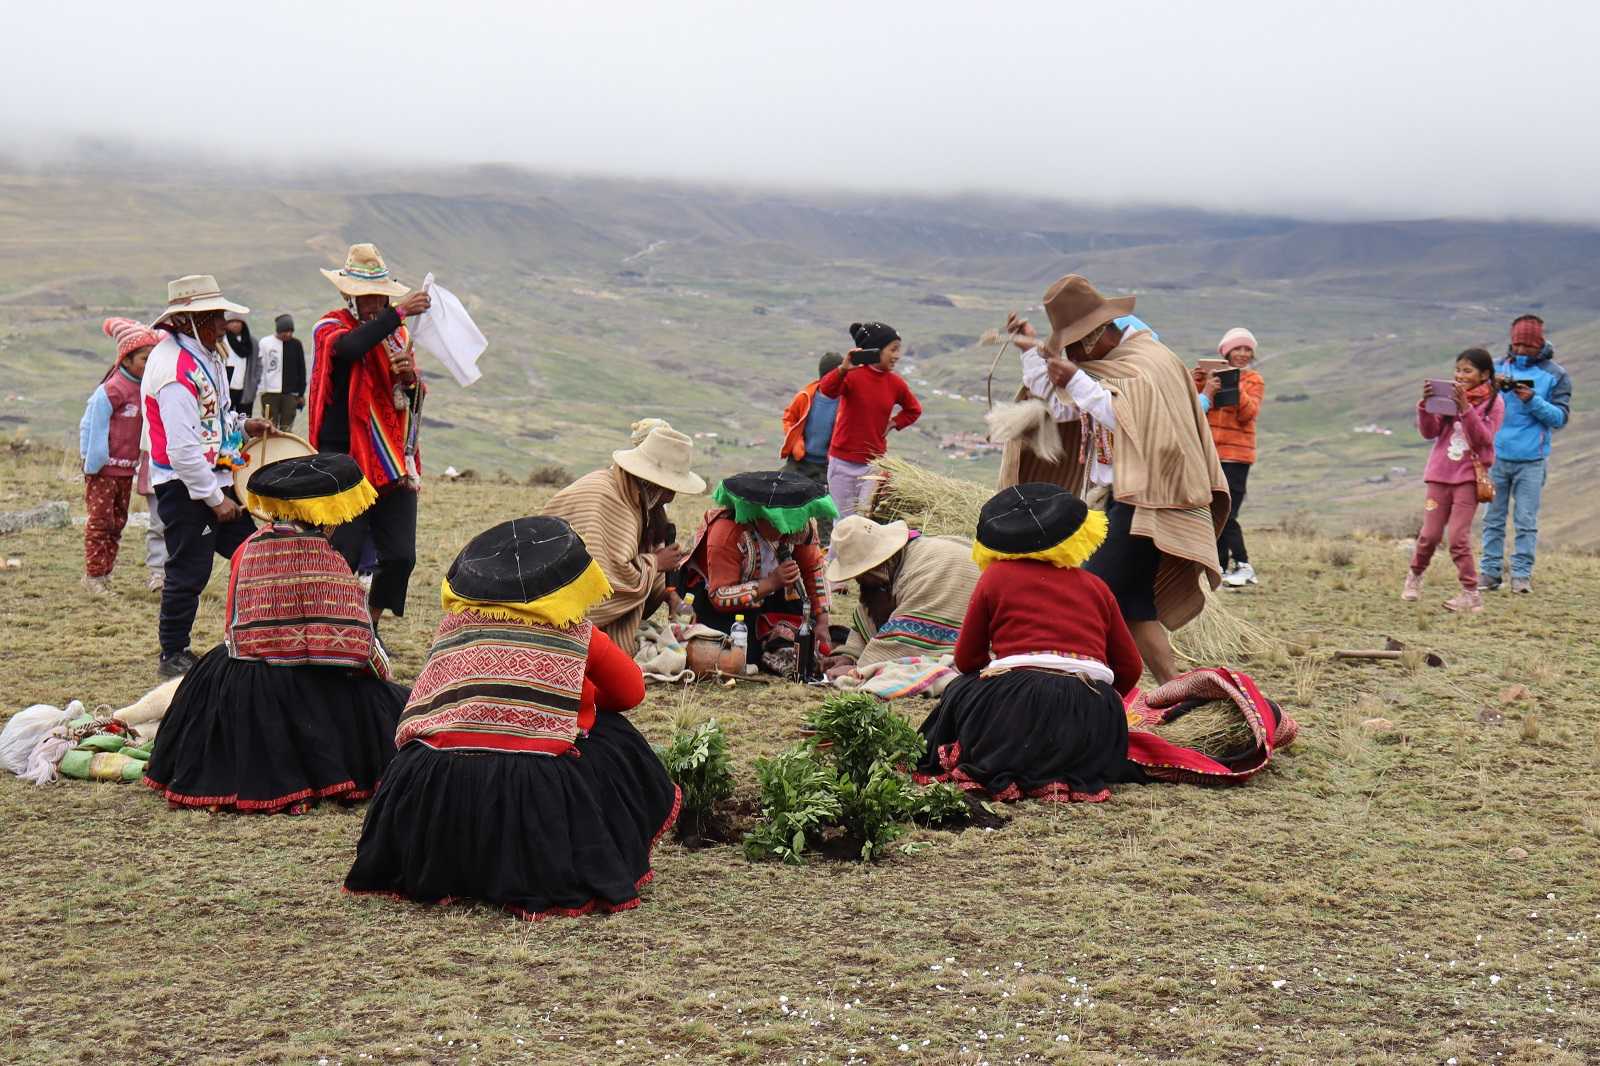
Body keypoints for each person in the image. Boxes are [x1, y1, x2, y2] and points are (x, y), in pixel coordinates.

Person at [344, 516, 679, 919]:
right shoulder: (574, 631)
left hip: (433, 783)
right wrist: (578, 700)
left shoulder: (455, 626)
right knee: (615, 737)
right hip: (529, 786)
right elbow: (631, 692)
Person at [994, 274, 1229, 684]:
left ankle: (1085, 684)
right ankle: (1174, 688)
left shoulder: (1150, 362)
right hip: (1115, 498)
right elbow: (1061, 408)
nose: (1073, 353)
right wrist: (1032, 353)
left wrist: (1077, 380)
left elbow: (1127, 417)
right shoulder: (1102, 368)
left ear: (1096, 334)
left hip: (1152, 499)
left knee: (1089, 592)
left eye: (1075, 343)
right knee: (1133, 602)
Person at [143, 453, 407, 814]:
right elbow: (357, 649)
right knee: (377, 703)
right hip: (296, 688)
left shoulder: (249, 547)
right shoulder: (323, 560)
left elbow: (235, 627)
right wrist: (382, 678)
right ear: (324, 514)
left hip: (237, 678)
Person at [914, 483, 1143, 803]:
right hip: (1092, 711)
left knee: (959, 687)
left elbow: (967, 660)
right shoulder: (1096, 586)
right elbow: (1131, 667)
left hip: (1015, 705)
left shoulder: (995, 577)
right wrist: (1090, 701)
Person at [142, 275, 272, 678]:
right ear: (186, 321)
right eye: (213, 316)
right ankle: (173, 652)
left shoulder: (206, 357)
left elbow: (214, 419)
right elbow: (182, 448)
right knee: (188, 569)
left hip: (215, 480)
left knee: (255, 553)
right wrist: (214, 500)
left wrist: (244, 425)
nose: (222, 324)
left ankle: (256, 635)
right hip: (186, 487)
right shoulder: (173, 369)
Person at [309, 243, 431, 628]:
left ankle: (369, 623)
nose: (374, 302)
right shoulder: (331, 328)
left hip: (392, 458)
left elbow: (411, 399)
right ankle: (332, 624)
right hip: (344, 457)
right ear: (348, 295)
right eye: (367, 296)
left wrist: (408, 378)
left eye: (380, 295)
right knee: (341, 550)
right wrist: (398, 313)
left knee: (400, 555)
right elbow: (349, 349)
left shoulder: (397, 339)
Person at [543, 421, 707, 653]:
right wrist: (657, 563)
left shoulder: (632, 498)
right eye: (670, 487)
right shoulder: (607, 498)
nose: (671, 496)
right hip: (558, 615)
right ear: (651, 481)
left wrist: (669, 595)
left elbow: (635, 560)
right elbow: (605, 580)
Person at [678, 470, 837, 655]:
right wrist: (770, 583)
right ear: (758, 516)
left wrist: (822, 622)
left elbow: (812, 570)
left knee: (808, 633)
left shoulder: (797, 527)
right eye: (777, 524)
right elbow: (719, 596)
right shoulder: (728, 532)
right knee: (743, 648)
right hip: (720, 602)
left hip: (770, 593)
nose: (783, 532)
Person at [1479, 315, 1572, 594]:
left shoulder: (1556, 375)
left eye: (1527, 346)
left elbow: (1560, 418)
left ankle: (1521, 576)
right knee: (1492, 518)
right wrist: (1490, 388)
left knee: (1526, 521)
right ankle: (1489, 573)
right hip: (1496, 457)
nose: (1520, 350)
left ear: (1539, 344)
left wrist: (1532, 400)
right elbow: (1473, 403)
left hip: (1532, 460)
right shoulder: (1494, 368)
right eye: (1517, 344)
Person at [1405, 348, 1504, 613]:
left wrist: (1465, 408)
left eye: (1467, 371)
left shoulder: (1494, 403)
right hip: (1439, 476)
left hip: (1469, 479)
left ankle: (1470, 594)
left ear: (1484, 374)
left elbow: (1483, 439)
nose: (1460, 376)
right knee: (1430, 534)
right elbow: (1430, 432)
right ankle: (1415, 576)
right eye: (1458, 370)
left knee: (1458, 537)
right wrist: (1425, 406)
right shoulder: (1447, 398)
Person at [823, 514, 979, 669]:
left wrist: (858, 670)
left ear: (877, 567)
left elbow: (904, 642)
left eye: (861, 574)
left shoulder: (924, 571)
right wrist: (849, 656)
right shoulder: (890, 571)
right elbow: (869, 614)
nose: (857, 580)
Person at [78, 318, 158, 595]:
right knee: (100, 523)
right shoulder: (112, 390)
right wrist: (93, 464)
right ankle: (94, 577)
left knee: (116, 524)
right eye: (144, 358)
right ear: (126, 359)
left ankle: (104, 573)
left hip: (125, 472)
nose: (149, 364)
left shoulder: (143, 387)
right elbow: (92, 426)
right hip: (103, 471)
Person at [817, 323, 921, 527]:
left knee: (865, 522)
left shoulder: (896, 383)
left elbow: (913, 409)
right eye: (893, 349)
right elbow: (827, 390)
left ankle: (861, 559)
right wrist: (842, 369)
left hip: (873, 464)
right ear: (875, 350)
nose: (897, 355)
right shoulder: (852, 376)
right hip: (842, 462)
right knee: (843, 522)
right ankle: (836, 559)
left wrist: (893, 423)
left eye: (898, 349)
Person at [1195, 327, 1266, 587]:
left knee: (1229, 512)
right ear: (1226, 352)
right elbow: (1195, 409)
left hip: (1237, 457)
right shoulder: (1209, 378)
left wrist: (1235, 385)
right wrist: (1201, 383)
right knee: (1214, 511)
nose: (1244, 354)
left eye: (1248, 349)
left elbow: (1248, 414)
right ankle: (1221, 567)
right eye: (1238, 348)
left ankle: (1244, 565)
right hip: (1210, 455)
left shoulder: (1254, 380)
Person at [780, 351, 845, 541]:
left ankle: (824, 549)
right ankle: (785, 539)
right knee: (783, 494)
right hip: (800, 460)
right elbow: (789, 418)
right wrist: (796, 443)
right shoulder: (806, 397)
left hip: (827, 465)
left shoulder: (845, 401)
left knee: (825, 509)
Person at [257, 314, 307, 431]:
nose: (288, 334)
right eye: (285, 331)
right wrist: (261, 389)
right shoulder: (265, 343)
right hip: (269, 392)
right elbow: (259, 367)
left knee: (287, 426)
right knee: (269, 425)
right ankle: (269, 447)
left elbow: (301, 369)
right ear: (278, 330)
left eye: (291, 331)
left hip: (290, 393)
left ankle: (285, 448)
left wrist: (301, 393)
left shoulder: (296, 344)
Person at [222, 312, 260, 416]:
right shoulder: (221, 341)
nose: (235, 324)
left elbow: (258, 365)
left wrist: (254, 382)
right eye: (232, 321)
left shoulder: (252, 343)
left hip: (245, 388)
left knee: (244, 420)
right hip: (227, 387)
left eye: (238, 321)